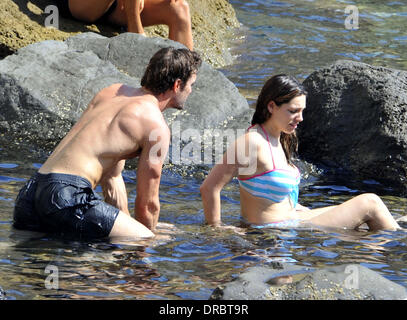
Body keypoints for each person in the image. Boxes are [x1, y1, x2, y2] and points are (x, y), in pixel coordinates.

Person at [13, 47, 202, 240]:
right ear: (177, 84)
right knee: (145, 240)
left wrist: (127, 224)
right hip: (67, 195)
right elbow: (148, 204)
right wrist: (147, 236)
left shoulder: (111, 92)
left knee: (29, 256)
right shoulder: (156, 126)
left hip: (31, 193)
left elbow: (112, 176)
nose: (191, 90)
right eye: (191, 85)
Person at [200, 74, 401, 232]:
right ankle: (398, 248)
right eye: (293, 111)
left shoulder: (280, 138)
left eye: (302, 111)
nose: (300, 118)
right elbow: (209, 188)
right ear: (271, 106)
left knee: (374, 219)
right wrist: (217, 229)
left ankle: (393, 238)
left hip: (293, 219)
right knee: (370, 202)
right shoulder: (252, 142)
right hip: (273, 230)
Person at [58, 0, 194, 50]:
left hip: (118, 7)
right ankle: (136, 33)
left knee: (179, 9)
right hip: (80, 5)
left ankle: (182, 80)